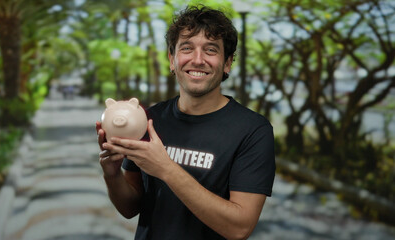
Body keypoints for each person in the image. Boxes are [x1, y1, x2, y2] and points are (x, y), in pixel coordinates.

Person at [96, 5, 275, 240]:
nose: (198, 60)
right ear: (172, 59)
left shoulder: (253, 131)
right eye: (187, 48)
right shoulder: (150, 119)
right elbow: (130, 208)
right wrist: (112, 174)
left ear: (227, 63)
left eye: (211, 50)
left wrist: (166, 168)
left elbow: (239, 228)